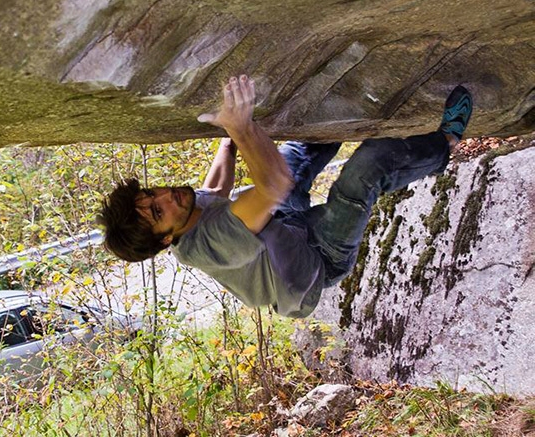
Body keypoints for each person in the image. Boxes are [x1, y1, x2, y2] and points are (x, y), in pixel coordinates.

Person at [99, 75, 473, 318]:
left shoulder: (184, 211)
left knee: (299, 152)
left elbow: (213, 191)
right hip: (318, 260)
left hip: (284, 230)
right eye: (156, 210)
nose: (165, 195)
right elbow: (273, 186)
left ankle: (366, 99)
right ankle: (446, 141)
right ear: (166, 238)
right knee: (366, 169)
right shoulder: (210, 245)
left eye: (151, 193)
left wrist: (228, 144)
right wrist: (242, 126)